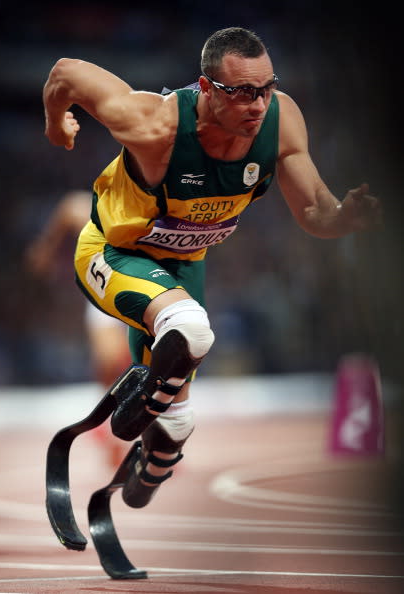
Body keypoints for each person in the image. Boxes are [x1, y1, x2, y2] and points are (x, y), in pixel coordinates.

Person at [42, 27, 382, 508]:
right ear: (205, 88)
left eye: (265, 88)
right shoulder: (154, 124)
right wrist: (57, 123)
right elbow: (65, 73)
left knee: (179, 423)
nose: (259, 104)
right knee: (194, 330)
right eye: (242, 92)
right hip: (115, 253)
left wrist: (343, 218)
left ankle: (147, 470)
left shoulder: (281, 121)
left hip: (183, 267)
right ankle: (131, 411)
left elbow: (313, 213)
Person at [25, 190, 132, 467]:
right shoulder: (90, 210)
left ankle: (140, 433)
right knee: (111, 363)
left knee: (141, 364)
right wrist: (47, 249)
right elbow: (69, 207)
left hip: (145, 291)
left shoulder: (153, 204)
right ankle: (108, 428)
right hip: (105, 294)